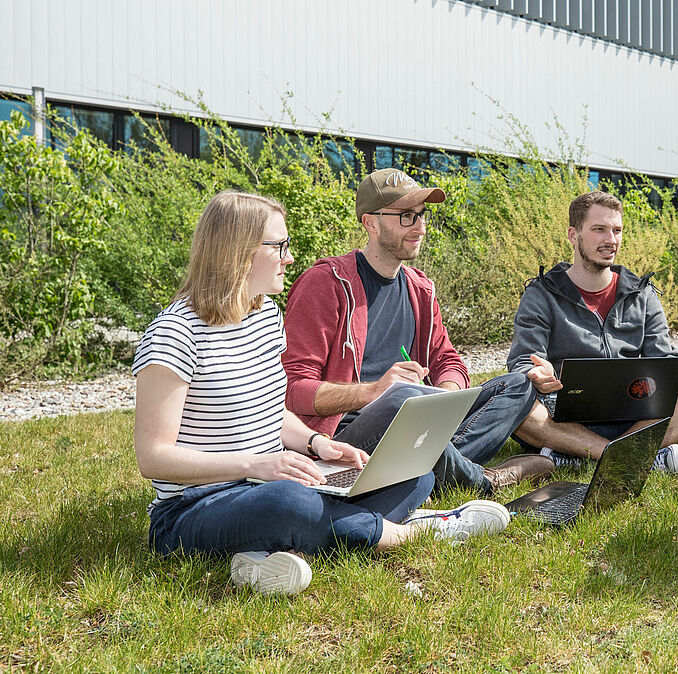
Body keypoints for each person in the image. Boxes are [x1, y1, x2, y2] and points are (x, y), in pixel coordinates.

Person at [134, 191, 510, 596]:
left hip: (271, 482)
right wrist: (256, 465)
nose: (289, 257)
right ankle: (413, 532)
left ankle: (261, 558)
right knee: (288, 505)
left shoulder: (264, 316)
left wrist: (319, 443)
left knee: (413, 476)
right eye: (279, 246)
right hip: (195, 507)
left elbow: (269, 411)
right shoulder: (175, 333)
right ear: (238, 251)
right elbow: (153, 458)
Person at [282, 169, 553, 495]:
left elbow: (446, 359)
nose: (420, 228)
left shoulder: (419, 288)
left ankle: (438, 462)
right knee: (403, 403)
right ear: (371, 222)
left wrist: (446, 398)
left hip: (416, 420)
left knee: (521, 382)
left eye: (422, 216)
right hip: (346, 436)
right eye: (407, 217)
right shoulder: (325, 283)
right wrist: (375, 391)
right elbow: (293, 389)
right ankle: (484, 479)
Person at [506, 190, 678, 472]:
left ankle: (577, 456)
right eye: (599, 230)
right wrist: (535, 374)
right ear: (573, 235)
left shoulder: (642, 294)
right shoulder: (541, 293)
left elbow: (663, 358)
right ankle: (630, 456)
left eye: (617, 230)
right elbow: (522, 362)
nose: (611, 240)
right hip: (563, 417)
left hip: (634, 415)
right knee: (514, 405)